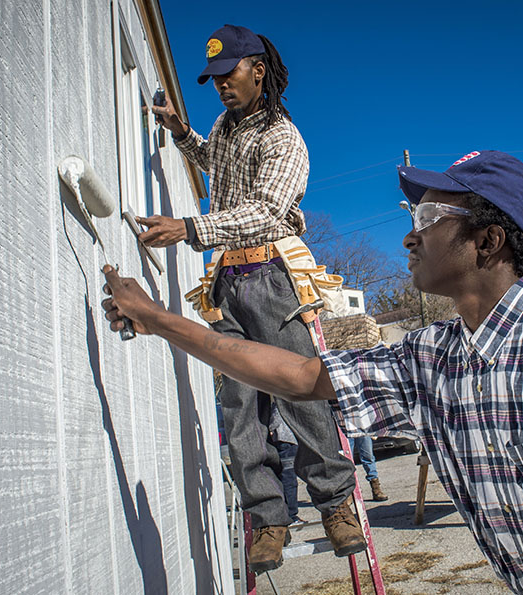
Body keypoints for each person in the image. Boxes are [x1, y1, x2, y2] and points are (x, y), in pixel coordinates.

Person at [102, 150, 523, 594]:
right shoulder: (430, 357)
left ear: (488, 243)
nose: (409, 238)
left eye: (427, 221)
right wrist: (159, 320)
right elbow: (297, 375)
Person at [142, 24, 364, 572]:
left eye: (228, 74)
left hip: (272, 275)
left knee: (300, 391)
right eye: (213, 78)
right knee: (239, 405)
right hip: (227, 283)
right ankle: (267, 518)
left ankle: (336, 506)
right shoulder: (225, 126)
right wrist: (181, 133)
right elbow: (216, 164)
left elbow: (265, 210)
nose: (220, 86)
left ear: (257, 71)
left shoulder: (283, 137)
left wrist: (190, 228)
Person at [347, 436, 388, 502]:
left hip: (360, 428)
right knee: (347, 460)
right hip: (345, 429)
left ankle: (376, 489)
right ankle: (349, 493)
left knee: (368, 457)